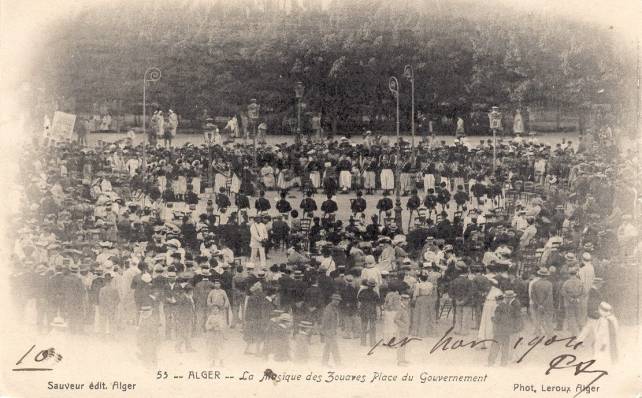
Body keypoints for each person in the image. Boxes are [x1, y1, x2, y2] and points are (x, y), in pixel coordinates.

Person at [531, 268, 554, 336]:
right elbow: (549, 296)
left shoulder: (534, 284)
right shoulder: (549, 284)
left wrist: (539, 304)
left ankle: (538, 335)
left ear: (540, 275)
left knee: (538, 320)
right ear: (546, 275)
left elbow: (532, 296)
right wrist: (543, 305)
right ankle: (549, 336)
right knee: (548, 321)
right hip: (547, 306)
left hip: (537, 306)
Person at [560, 267, 583, 336]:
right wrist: (578, 298)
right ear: (576, 274)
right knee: (578, 316)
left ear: (569, 274)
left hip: (569, 302)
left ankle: (574, 333)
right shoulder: (580, 282)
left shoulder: (566, 282)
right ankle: (580, 331)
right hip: (578, 301)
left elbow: (563, 292)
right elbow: (583, 292)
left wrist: (570, 299)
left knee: (571, 317)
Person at [321, 293, 342, 366]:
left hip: (332, 331)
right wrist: (327, 331)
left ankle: (324, 363)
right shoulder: (329, 309)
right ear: (332, 300)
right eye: (336, 300)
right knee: (333, 347)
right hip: (329, 331)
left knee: (329, 347)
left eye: (338, 300)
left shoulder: (334, 308)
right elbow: (325, 321)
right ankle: (338, 363)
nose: (338, 302)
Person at [175, 284, 196, 353]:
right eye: (191, 290)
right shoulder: (183, 297)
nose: (192, 292)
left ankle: (188, 347)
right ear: (188, 291)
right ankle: (178, 347)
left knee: (188, 333)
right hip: (183, 318)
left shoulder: (189, 297)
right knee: (183, 333)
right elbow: (178, 308)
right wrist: (178, 318)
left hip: (189, 317)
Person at [358, 280, 379, 346]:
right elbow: (378, 302)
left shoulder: (362, 292)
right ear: (373, 286)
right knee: (372, 327)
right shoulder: (375, 294)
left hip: (364, 311)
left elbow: (359, 299)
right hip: (372, 311)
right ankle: (372, 342)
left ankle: (363, 342)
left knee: (363, 327)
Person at [395, 294, 412, 366]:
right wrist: (403, 325)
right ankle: (399, 361)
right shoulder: (401, 308)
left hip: (405, 329)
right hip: (402, 329)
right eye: (406, 300)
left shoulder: (405, 308)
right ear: (402, 300)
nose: (407, 302)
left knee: (404, 344)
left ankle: (402, 359)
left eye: (408, 300)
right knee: (401, 344)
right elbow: (396, 319)